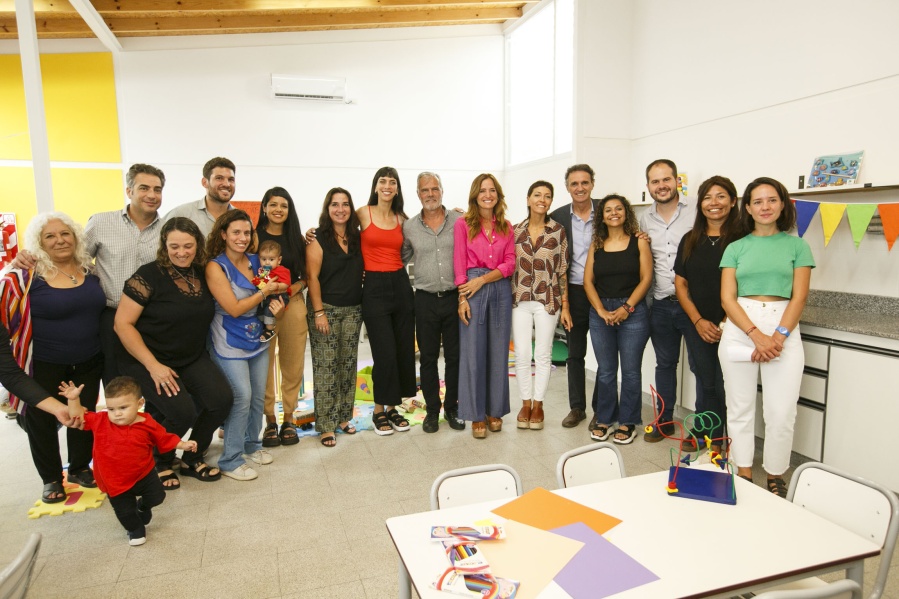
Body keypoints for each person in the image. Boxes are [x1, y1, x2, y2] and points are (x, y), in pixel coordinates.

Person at [10, 164, 167, 385]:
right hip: (111, 316)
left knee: (155, 380)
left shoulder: (168, 229)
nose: (151, 195)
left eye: (157, 189)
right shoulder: (101, 223)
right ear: (129, 191)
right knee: (116, 383)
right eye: (144, 188)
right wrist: (29, 255)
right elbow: (73, 256)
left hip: (155, 317)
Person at [115, 217, 233, 488]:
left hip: (190, 356)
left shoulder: (202, 272)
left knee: (221, 400)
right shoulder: (148, 275)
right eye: (174, 246)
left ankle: (192, 457)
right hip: (148, 358)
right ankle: (160, 460)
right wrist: (153, 366)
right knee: (183, 412)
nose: (181, 252)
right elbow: (122, 324)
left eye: (188, 246)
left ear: (198, 245)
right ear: (164, 245)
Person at [0, 212, 105, 503]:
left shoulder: (89, 270)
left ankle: (80, 467)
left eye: (65, 233)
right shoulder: (24, 276)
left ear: (76, 237)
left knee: (83, 415)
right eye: (50, 236)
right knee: (41, 421)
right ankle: (51, 478)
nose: (60, 240)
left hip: (89, 359)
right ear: (39, 242)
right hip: (42, 363)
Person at [719, 177, 814, 497]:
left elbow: (799, 296)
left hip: (783, 326)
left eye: (772, 200)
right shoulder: (735, 247)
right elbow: (727, 298)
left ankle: (775, 473)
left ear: (782, 205)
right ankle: (743, 470)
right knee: (739, 407)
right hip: (741, 326)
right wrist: (755, 335)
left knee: (781, 411)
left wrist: (778, 337)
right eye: (757, 201)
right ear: (747, 208)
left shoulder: (798, 246)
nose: (765, 207)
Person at [61, 376, 197, 546]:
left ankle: (143, 506)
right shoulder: (101, 421)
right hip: (114, 480)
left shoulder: (147, 423)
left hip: (144, 474)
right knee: (125, 512)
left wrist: (182, 444)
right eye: (111, 409)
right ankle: (135, 529)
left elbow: (164, 437)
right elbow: (77, 417)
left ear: (140, 403)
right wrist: (73, 400)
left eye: (123, 408)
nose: (117, 414)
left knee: (157, 497)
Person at [206, 210, 286, 481]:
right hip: (228, 340)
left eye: (247, 233)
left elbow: (276, 294)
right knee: (241, 396)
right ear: (223, 234)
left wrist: (277, 309)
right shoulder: (216, 267)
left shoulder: (256, 260)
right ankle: (230, 459)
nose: (242, 238)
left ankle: (252, 445)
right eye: (236, 232)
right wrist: (265, 292)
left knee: (257, 396)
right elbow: (234, 308)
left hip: (257, 338)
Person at [674, 176, 741, 451]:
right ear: (700, 203)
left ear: (733, 201)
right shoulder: (690, 239)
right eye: (707, 197)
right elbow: (681, 284)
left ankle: (725, 439)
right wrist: (698, 321)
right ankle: (707, 433)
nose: (714, 203)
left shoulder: (744, 239)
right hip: (698, 323)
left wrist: (726, 321)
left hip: (736, 323)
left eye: (721, 196)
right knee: (706, 381)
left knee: (728, 383)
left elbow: (747, 285)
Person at [584, 195, 653, 445]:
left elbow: (646, 279)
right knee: (606, 370)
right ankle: (605, 419)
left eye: (619, 209)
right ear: (602, 217)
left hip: (633, 312)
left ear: (626, 213)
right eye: (608, 210)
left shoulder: (639, 242)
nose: (614, 213)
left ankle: (628, 422)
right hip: (600, 312)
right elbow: (587, 281)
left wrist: (627, 307)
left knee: (631, 371)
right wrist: (601, 310)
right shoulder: (597, 244)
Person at [401, 172, 465, 433]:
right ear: (418, 194)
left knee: (454, 357)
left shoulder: (459, 220)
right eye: (425, 190)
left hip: (455, 298)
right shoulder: (409, 227)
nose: (430, 194)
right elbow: (399, 258)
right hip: (425, 300)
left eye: (434, 189)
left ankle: (452, 408)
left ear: (442, 191)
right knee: (427, 358)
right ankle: (431, 411)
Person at [454, 173, 515, 438]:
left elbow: (510, 263)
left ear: (498, 195)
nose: (487, 195)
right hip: (471, 288)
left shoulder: (506, 226)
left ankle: (494, 411)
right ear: (474, 195)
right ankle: (476, 415)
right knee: (473, 353)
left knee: (499, 352)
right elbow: (459, 263)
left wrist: (484, 280)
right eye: (482, 190)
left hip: (499, 287)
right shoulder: (462, 224)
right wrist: (462, 298)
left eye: (492, 190)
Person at [639, 159, 696, 442]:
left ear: (676, 181)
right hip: (661, 303)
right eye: (655, 181)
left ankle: (705, 427)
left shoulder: (696, 211)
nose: (661, 186)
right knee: (664, 365)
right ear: (648, 185)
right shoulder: (644, 219)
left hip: (694, 305)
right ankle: (664, 420)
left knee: (702, 368)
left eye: (666, 179)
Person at [359, 166, 416, 436]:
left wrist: (456, 215)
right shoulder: (363, 213)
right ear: (375, 186)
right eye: (383, 181)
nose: (387, 186)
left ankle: (393, 407)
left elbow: (424, 232)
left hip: (400, 284)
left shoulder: (402, 218)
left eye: (392, 182)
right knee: (384, 352)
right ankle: (378, 410)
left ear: (397, 188)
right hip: (373, 286)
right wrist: (313, 232)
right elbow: (337, 230)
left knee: (403, 349)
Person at [306, 188, 364, 447]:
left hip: (353, 309)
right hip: (325, 309)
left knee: (347, 365)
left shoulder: (357, 237)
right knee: (326, 367)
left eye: (345, 204)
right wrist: (319, 312)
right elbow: (312, 278)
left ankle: (342, 417)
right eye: (335, 204)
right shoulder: (317, 238)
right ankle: (326, 425)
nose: (340, 209)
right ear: (327, 208)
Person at [511, 181, 571, 430]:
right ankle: (525, 403)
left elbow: (562, 270)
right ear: (528, 199)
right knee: (522, 354)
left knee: (543, 354)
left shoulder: (558, 231)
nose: (542, 200)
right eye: (537, 195)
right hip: (520, 299)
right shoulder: (515, 231)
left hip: (548, 300)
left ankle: (538, 405)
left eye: (547, 196)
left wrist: (565, 306)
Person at [255, 187, 308, 447]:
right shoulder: (253, 237)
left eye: (284, 205)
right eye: (273, 204)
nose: (278, 210)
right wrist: (267, 291)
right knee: (263, 365)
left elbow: (305, 277)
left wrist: (287, 290)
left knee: (293, 363)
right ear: (264, 207)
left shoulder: (297, 238)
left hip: (291, 303)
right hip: (261, 305)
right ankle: (269, 420)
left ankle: (288, 418)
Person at [550, 165, 601, 429]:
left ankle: (601, 411)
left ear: (592, 183)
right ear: (567, 187)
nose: (580, 188)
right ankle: (577, 408)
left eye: (584, 182)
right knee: (575, 354)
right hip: (573, 293)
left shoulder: (607, 209)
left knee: (605, 357)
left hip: (603, 293)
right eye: (574, 183)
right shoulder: (558, 217)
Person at [163, 157, 236, 238]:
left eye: (231, 179)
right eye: (219, 178)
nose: (226, 184)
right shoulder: (181, 214)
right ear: (204, 182)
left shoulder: (241, 219)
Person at [252, 240, 292, 343]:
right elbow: (260, 281)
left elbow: (286, 284)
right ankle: (263, 327)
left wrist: (277, 286)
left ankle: (269, 330)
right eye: (263, 259)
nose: (267, 262)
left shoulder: (282, 270)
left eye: (271, 259)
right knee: (260, 310)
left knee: (269, 310)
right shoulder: (262, 271)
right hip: (265, 296)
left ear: (279, 260)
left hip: (279, 296)